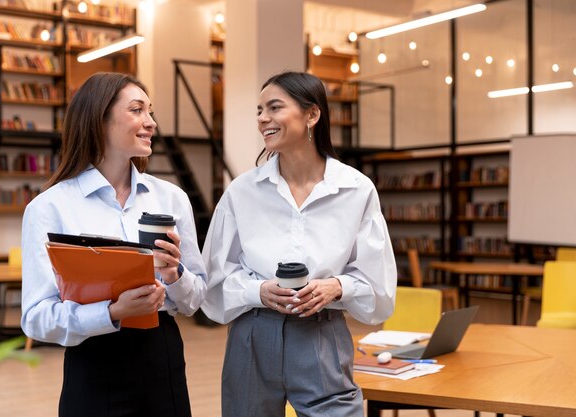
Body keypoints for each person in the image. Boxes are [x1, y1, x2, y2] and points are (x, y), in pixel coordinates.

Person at [201, 71, 397, 416]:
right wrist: (258, 291)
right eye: (259, 110)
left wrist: (336, 286)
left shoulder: (357, 189)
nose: (263, 119)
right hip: (253, 335)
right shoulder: (241, 192)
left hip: (323, 335)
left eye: (274, 107)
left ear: (312, 114)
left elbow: (376, 283)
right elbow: (213, 280)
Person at [21, 72, 207, 417]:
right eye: (137, 110)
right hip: (93, 359)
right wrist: (110, 313)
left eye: (151, 112)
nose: (150, 123)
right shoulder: (50, 207)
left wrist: (174, 272)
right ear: (99, 120)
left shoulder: (172, 198)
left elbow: (196, 301)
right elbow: (35, 319)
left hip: (162, 354)